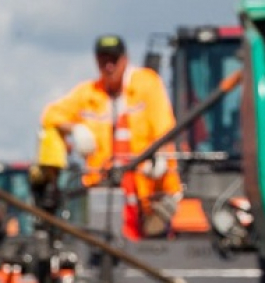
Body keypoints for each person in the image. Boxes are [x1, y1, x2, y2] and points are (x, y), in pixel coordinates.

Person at [40, 34, 183, 239]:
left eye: (113, 60)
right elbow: (50, 115)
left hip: (150, 194)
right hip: (105, 196)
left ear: (125, 59)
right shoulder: (89, 94)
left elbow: (163, 125)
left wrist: (160, 156)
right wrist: (74, 128)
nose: (109, 66)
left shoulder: (147, 84)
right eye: (103, 60)